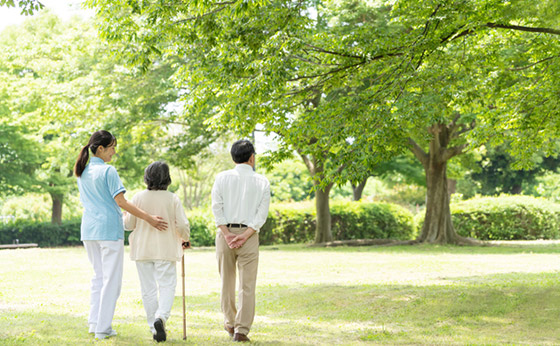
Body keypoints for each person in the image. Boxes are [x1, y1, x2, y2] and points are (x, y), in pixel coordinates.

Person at [74, 130, 168, 340]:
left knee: (98, 277)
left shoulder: (83, 171)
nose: (114, 152)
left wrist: (123, 210)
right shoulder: (108, 171)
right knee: (111, 281)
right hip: (108, 230)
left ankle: (94, 322)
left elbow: (107, 202)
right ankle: (103, 328)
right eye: (112, 148)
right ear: (101, 149)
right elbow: (121, 202)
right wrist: (149, 218)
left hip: (89, 230)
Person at [124, 161, 191, 342]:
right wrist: (185, 238)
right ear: (167, 178)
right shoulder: (172, 198)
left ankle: (154, 327)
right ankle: (160, 317)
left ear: (147, 177)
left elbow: (129, 225)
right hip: (166, 248)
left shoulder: (138, 197)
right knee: (167, 285)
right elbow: (183, 225)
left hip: (143, 249)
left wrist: (124, 215)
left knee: (148, 289)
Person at [211, 139, 271, 342]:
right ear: (252, 158)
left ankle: (230, 322)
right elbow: (261, 215)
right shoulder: (262, 181)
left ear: (233, 157)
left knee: (226, 282)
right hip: (250, 235)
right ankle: (241, 330)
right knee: (247, 285)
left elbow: (216, 207)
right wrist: (245, 235)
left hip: (224, 234)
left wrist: (227, 234)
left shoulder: (221, 178)